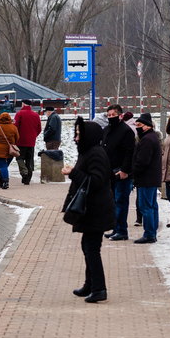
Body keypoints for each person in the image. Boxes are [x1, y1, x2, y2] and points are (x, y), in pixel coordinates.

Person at [61, 117, 115, 303]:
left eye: (78, 134)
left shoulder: (96, 153)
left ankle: (99, 289)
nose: (76, 138)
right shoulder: (88, 152)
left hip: (96, 210)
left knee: (92, 249)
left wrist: (73, 173)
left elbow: (96, 180)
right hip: (91, 210)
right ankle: (90, 285)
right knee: (88, 247)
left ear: (87, 136)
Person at [101, 104, 136, 241]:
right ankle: (116, 228)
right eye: (108, 115)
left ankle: (122, 230)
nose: (110, 118)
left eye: (113, 115)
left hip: (121, 172)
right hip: (109, 171)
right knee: (113, 202)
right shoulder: (107, 129)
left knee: (121, 201)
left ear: (120, 116)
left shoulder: (126, 131)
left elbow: (129, 152)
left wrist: (125, 170)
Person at [132, 112, 162, 244]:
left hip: (146, 179)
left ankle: (149, 234)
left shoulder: (147, 140)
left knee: (146, 206)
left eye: (139, 125)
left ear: (147, 126)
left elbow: (142, 161)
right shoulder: (152, 138)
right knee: (152, 206)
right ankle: (152, 232)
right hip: (152, 178)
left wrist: (134, 173)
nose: (137, 127)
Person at [14, 99, 42, 185]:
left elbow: (15, 127)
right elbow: (39, 129)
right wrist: (33, 136)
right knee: (29, 160)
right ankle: (28, 178)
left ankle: (24, 172)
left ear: (23, 104)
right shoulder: (36, 115)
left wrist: (15, 138)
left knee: (19, 157)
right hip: (31, 141)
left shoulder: (19, 114)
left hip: (20, 141)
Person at [0, 112, 19, 189]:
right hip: (10, 150)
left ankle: (5, 182)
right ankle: (2, 181)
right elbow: (17, 138)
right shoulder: (13, 127)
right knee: (4, 166)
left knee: (2, 166)